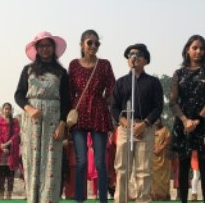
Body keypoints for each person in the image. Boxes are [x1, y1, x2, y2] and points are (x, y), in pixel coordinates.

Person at [15, 31, 71, 203]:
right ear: (36, 49)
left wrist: (62, 125)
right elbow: (18, 94)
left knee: (51, 161)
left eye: (48, 45)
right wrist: (29, 109)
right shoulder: (28, 70)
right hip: (32, 120)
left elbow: (67, 101)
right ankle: (32, 199)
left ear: (53, 48)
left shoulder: (61, 72)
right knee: (32, 159)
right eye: (41, 46)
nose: (45, 49)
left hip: (53, 119)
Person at [170, 35, 205, 203]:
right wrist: (185, 120)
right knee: (183, 166)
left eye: (201, 48)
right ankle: (183, 200)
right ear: (187, 50)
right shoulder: (178, 73)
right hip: (183, 123)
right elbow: (173, 101)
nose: (198, 51)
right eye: (195, 48)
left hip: (204, 122)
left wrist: (198, 119)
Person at [68, 30, 117, 203]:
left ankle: (103, 200)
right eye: (90, 42)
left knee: (100, 163)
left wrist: (109, 99)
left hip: (98, 112)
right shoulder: (73, 65)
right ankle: (80, 200)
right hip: (79, 112)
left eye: (97, 43)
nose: (93, 46)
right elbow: (69, 91)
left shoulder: (104, 64)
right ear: (81, 44)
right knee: (81, 162)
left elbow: (112, 86)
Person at [112, 43, 164, 203]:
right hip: (124, 127)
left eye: (138, 54)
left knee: (143, 170)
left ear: (146, 60)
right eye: (130, 55)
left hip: (145, 128)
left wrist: (145, 124)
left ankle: (142, 200)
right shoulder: (120, 82)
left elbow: (158, 107)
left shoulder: (154, 82)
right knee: (122, 169)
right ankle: (121, 200)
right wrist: (126, 123)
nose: (134, 57)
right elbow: (114, 107)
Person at [0, 102, 21, 200]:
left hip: (11, 151)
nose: (7, 110)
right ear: (2, 109)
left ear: (11, 110)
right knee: (1, 174)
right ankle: (1, 196)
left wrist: (7, 145)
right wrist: (1, 146)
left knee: (10, 174)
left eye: (9, 108)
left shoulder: (15, 121)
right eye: (6, 108)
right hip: (0, 151)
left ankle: (9, 196)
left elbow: (16, 135)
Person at [152, 120, 172, 201]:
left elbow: (168, 140)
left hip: (163, 158)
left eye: (158, 120)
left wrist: (160, 148)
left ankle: (163, 196)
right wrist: (153, 150)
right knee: (153, 177)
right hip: (152, 157)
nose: (156, 121)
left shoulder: (165, 130)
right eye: (155, 120)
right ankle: (153, 196)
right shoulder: (149, 130)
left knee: (163, 178)